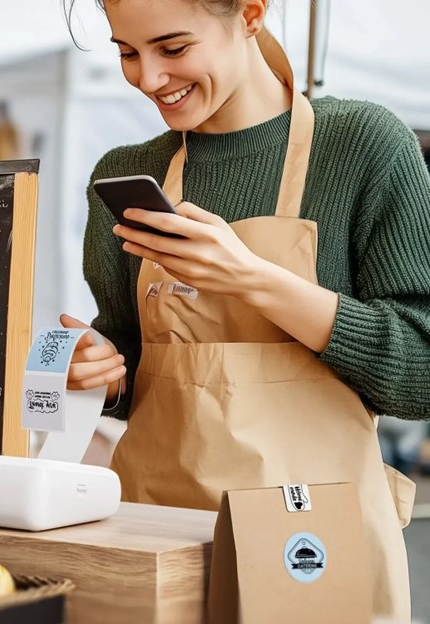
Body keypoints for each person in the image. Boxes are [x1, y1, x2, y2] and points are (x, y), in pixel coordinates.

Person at [60, 0, 430, 620]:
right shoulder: (127, 174)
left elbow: (421, 376)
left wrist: (254, 280)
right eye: (127, 52)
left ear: (252, 13)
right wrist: (95, 371)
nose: (149, 78)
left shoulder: (363, 147)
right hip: (156, 531)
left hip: (312, 541)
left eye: (173, 49)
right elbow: (129, 360)